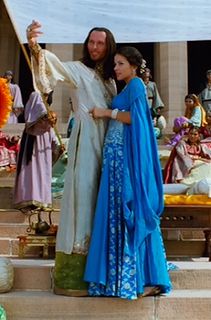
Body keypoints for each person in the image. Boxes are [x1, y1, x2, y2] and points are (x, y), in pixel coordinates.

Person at [26, 21, 117, 295]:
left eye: (100, 43)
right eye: (91, 42)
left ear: (109, 46)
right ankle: (74, 275)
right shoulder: (79, 71)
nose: (95, 47)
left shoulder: (111, 79)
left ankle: (102, 268)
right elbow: (53, 68)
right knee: (83, 199)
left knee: (102, 201)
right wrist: (34, 46)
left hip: (109, 146)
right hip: (86, 143)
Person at [84, 46, 172, 300]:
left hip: (125, 160)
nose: (116, 68)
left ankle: (146, 277)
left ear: (133, 65)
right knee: (116, 213)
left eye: (120, 63)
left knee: (130, 210)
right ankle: (118, 277)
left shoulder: (136, 86)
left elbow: (138, 119)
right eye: (115, 64)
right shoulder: (127, 87)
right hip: (115, 160)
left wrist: (105, 112)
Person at [13, 91, 60, 212]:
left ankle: (41, 199)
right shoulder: (35, 97)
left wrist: (58, 146)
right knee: (30, 170)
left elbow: (53, 136)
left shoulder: (47, 122)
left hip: (43, 145)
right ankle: (28, 199)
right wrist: (45, 116)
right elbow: (36, 111)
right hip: (31, 142)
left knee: (41, 170)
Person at [164, 126, 211, 194]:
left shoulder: (201, 146)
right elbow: (183, 156)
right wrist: (197, 159)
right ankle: (188, 182)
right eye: (191, 134)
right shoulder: (182, 144)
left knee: (207, 166)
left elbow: (208, 156)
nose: (192, 136)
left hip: (198, 163)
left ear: (199, 136)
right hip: (185, 165)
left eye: (195, 134)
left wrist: (203, 159)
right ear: (188, 134)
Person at [141, 67, 166, 138]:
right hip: (142, 103)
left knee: (151, 119)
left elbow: (156, 95)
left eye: (147, 71)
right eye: (144, 71)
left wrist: (157, 106)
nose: (146, 73)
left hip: (150, 102)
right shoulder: (139, 83)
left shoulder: (153, 84)